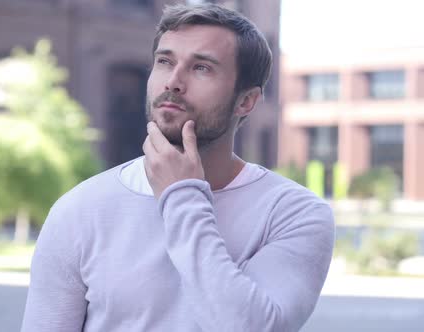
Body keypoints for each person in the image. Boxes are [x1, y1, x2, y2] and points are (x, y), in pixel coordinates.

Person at [20, 3, 335, 332]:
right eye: (164, 61)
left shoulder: (294, 213)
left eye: (201, 68)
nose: (173, 81)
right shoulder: (80, 209)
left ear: (246, 101)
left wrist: (181, 195)